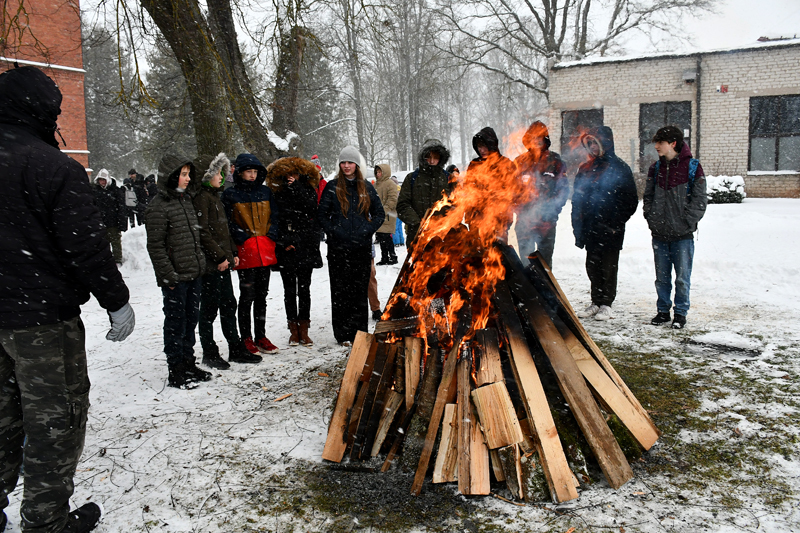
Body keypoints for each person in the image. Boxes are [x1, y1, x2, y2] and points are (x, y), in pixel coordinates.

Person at [0, 65, 133, 533]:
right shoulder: (53, 167)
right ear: (40, 111)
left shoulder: (45, 165)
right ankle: (45, 520)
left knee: (2, 415)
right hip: (40, 320)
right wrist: (116, 300)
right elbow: (86, 246)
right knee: (55, 418)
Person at [146, 154, 212, 388]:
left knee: (190, 321)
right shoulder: (158, 206)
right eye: (183, 174)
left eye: (188, 174)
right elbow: (155, 245)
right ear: (172, 176)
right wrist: (168, 276)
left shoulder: (185, 201)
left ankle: (188, 363)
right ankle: (176, 370)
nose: (187, 178)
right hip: (175, 278)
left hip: (192, 274)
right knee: (176, 324)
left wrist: (199, 263)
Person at [192, 153, 260, 367]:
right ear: (207, 175)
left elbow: (224, 230)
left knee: (229, 304)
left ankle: (235, 347)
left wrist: (232, 253)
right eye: (217, 173)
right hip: (212, 265)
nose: (221, 177)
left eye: (223, 173)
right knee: (209, 309)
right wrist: (220, 256)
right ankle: (209, 351)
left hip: (223, 262)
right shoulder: (202, 198)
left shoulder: (215, 197)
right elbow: (203, 233)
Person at [318, 146, 384, 345]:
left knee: (358, 291)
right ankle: (342, 333)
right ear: (339, 164)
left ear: (356, 164)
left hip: (361, 248)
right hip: (338, 249)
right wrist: (336, 231)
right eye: (343, 162)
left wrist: (367, 229)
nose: (346, 166)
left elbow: (379, 213)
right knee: (340, 292)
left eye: (350, 162)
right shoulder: (332, 187)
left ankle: (359, 332)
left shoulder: (366, 187)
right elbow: (322, 215)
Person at [643, 125, 708, 329]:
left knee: (682, 278)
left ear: (672, 144)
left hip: (682, 236)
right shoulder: (656, 168)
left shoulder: (693, 167)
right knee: (661, 278)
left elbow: (699, 201)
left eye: (660, 142)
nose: (656, 146)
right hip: (659, 234)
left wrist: (686, 222)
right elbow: (648, 197)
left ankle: (680, 314)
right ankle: (663, 311)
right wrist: (651, 218)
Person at [571, 126, 638, 321]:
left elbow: (630, 201)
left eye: (595, 142)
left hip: (611, 229)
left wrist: (615, 223)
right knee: (592, 266)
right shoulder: (585, 169)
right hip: (590, 228)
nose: (592, 146)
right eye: (589, 143)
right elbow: (577, 199)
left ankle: (606, 304)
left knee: (608, 267)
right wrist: (578, 226)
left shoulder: (620, 168)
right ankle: (595, 301)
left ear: (605, 143)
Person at [222, 153, 280, 355]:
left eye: (255, 171)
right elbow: (227, 222)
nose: (252, 175)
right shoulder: (231, 194)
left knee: (262, 296)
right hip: (246, 253)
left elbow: (275, 216)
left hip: (264, 251)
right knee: (247, 296)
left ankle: (260, 335)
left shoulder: (266, 192)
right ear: (240, 172)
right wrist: (242, 237)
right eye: (249, 171)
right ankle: (246, 336)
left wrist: (271, 235)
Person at [267, 157, 322, 346]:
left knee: (304, 289)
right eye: (288, 174)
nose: (291, 177)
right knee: (289, 290)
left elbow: (310, 210)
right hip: (286, 247)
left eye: (295, 174)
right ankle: (293, 329)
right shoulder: (278, 193)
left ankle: (304, 328)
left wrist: (297, 188)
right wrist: (283, 241)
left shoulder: (308, 190)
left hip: (305, 246)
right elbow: (276, 218)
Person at [513, 121, 568, 267]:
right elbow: (511, 190)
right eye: (534, 137)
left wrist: (552, 211)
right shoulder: (519, 162)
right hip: (524, 223)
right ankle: (529, 289)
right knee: (526, 263)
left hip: (546, 223)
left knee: (545, 265)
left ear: (545, 139)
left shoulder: (555, 161)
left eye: (540, 137)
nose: (537, 141)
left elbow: (563, 189)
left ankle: (545, 290)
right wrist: (520, 209)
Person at [397, 139, 452, 247]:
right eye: (429, 157)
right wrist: (418, 223)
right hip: (417, 237)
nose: (432, 161)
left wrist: (442, 221)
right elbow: (402, 205)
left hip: (442, 239)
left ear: (441, 159)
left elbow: (456, 205)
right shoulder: (412, 178)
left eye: (435, 157)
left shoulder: (448, 179)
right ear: (423, 157)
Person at [92, 168, 128, 264]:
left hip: (113, 222)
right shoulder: (95, 192)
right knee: (103, 243)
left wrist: (122, 222)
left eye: (103, 180)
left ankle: (117, 260)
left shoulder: (116, 191)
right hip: (100, 222)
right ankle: (105, 260)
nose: (102, 182)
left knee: (115, 242)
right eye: (100, 180)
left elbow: (121, 208)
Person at [374, 163, 398, 265]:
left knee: (386, 237)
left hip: (388, 215)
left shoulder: (390, 184)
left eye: (380, 172)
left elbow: (393, 199)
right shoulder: (376, 184)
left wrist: (384, 210)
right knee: (381, 237)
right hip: (378, 215)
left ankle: (393, 256)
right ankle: (384, 258)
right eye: (377, 172)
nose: (378, 174)